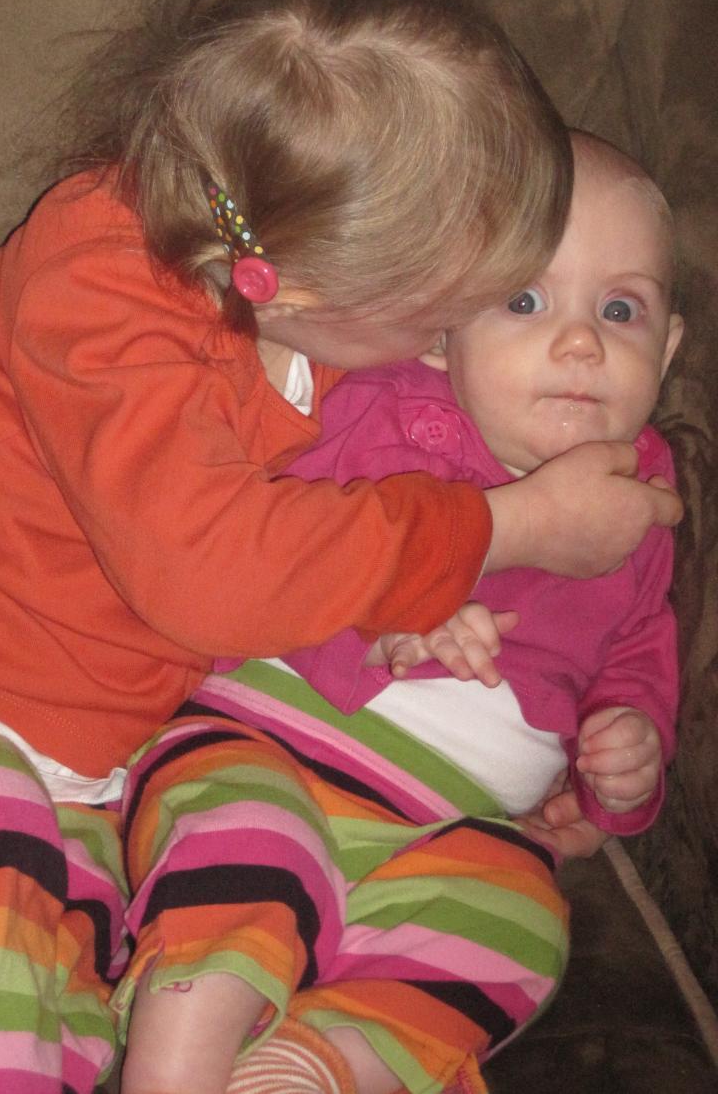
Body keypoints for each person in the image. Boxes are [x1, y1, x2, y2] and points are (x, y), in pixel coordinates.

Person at [0, 0, 681, 1087]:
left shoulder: (283, 272)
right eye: (435, 318)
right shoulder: (94, 284)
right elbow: (213, 570)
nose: (439, 350)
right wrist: (502, 527)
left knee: (67, 1000)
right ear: (301, 286)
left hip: (88, 761)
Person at [141, 129, 683, 1094]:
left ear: (668, 347)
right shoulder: (372, 408)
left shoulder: (644, 506)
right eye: (525, 301)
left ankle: (317, 1065)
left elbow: (640, 653)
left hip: (453, 830)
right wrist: (395, 598)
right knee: (246, 855)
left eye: (620, 309)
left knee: (524, 918)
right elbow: (269, 536)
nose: (581, 342)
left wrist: (628, 752)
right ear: (440, 330)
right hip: (266, 747)